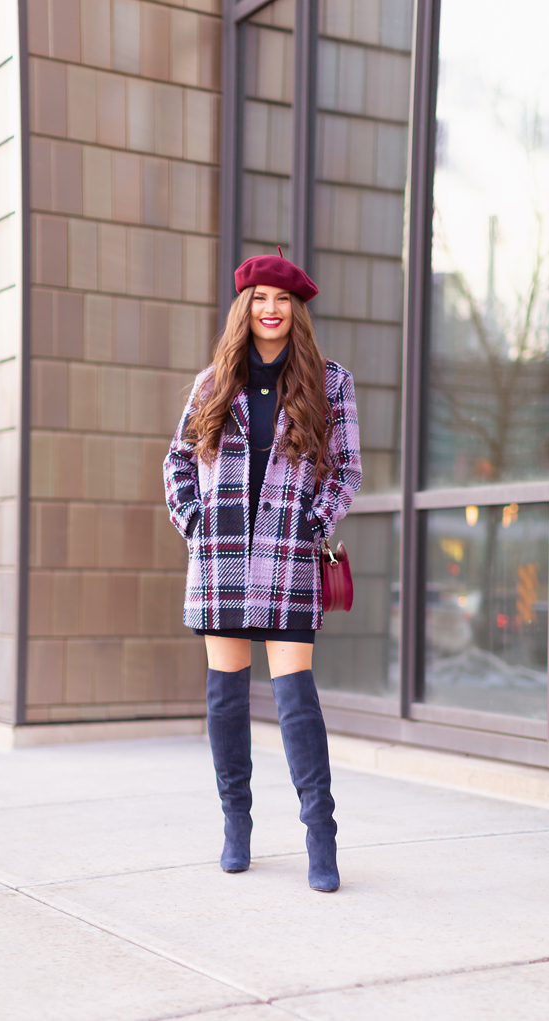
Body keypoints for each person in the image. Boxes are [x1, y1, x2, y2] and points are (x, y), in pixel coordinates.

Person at [163, 250, 361, 892]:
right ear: (243, 308)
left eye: (281, 299)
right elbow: (177, 466)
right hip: (220, 559)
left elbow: (348, 469)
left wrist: (312, 524)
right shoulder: (211, 383)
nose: (270, 309)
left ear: (295, 310)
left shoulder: (331, 383)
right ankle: (236, 825)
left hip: (287, 559)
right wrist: (196, 524)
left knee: (296, 700)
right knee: (226, 698)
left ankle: (320, 837)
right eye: (259, 298)